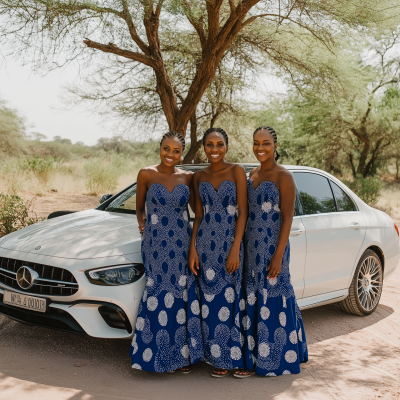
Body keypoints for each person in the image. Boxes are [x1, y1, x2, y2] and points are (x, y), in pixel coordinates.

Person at [235, 126, 308, 378]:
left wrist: (278, 255)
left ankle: (274, 359)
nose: (260, 148)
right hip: (250, 246)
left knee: (274, 295)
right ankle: (255, 355)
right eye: (256, 143)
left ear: (275, 145)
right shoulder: (251, 174)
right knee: (254, 296)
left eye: (266, 143)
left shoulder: (283, 176)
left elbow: (288, 217)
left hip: (272, 247)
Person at [129, 132, 203, 373]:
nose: (170, 154)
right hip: (155, 244)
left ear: (182, 153)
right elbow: (139, 209)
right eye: (166, 149)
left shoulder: (188, 177)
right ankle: (157, 354)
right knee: (158, 293)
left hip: (181, 243)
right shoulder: (146, 174)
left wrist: (195, 245)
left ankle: (181, 356)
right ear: (159, 148)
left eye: (176, 151)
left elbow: (198, 213)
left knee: (180, 295)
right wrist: (143, 226)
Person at [189, 127, 249, 378]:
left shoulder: (236, 171)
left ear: (227, 146)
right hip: (205, 246)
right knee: (209, 303)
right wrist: (193, 248)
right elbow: (199, 215)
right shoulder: (199, 176)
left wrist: (235, 248)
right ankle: (215, 356)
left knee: (230, 300)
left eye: (219, 144)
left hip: (229, 244)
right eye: (210, 145)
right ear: (204, 147)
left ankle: (231, 357)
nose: (215, 149)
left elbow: (243, 212)